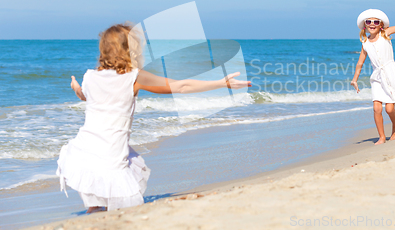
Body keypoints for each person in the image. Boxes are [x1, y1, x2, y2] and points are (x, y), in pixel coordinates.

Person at [56, 23, 250, 213]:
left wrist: (76, 89)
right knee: (118, 195)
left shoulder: (90, 76)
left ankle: (94, 212)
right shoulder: (134, 77)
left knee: (97, 199)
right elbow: (181, 86)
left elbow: (87, 96)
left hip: (86, 148)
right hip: (111, 151)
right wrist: (220, 83)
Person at [351, 9, 395, 145]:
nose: (372, 24)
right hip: (377, 78)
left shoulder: (386, 34)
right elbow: (360, 63)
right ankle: (382, 137)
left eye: (376, 22)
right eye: (369, 21)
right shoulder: (365, 43)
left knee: (389, 109)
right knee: (376, 108)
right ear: (365, 25)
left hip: (390, 75)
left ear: (381, 25)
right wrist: (355, 79)